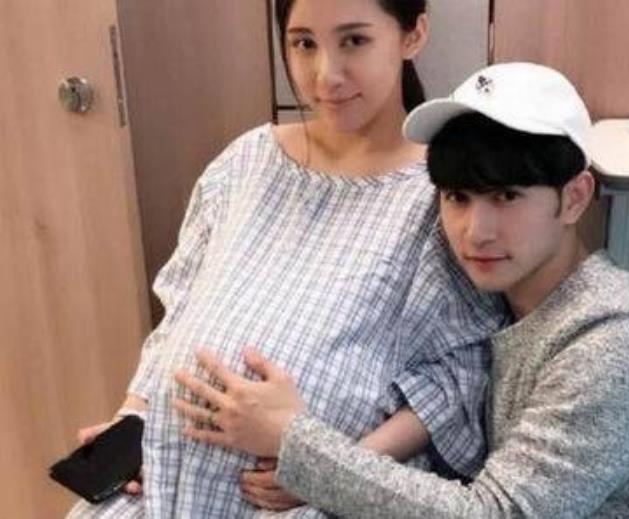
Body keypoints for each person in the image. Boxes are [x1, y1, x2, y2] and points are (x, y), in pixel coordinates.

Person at [175, 63, 629, 517]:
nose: (475, 231)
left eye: (506, 196)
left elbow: (497, 513)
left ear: (575, 197)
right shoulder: (500, 310)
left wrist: (297, 444)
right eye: (457, 197)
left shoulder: (621, 338)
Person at [67, 1, 507, 517]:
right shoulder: (247, 160)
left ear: (412, 35)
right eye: (304, 44)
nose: (326, 74)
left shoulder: (444, 195)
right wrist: (133, 418)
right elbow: (180, 306)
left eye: (354, 41)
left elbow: (456, 375)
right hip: (160, 479)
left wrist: (324, 468)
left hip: (305, 503)